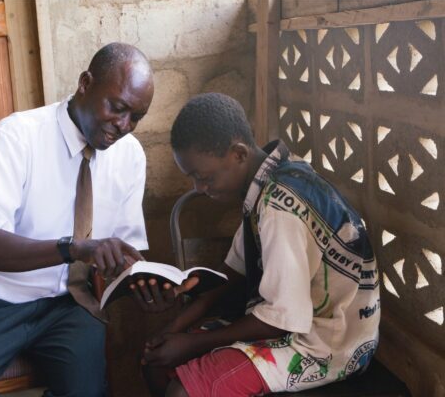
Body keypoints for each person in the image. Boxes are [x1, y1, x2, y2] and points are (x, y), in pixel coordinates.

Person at [0, 43, 155, 397]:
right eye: (117, 107)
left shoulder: (130, 157)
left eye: (136, 117)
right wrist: (73, 249)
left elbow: (122, 254)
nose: (123, 125)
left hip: (67, 305)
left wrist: (148, 285)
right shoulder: (18, 136)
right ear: (85, 83)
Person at [137, 93, 380, 397]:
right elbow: (229, 275)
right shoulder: (269, 182)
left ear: (238, 154)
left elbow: (281, 320)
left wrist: (192, 342)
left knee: (182, 392)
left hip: (327, 343)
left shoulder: (280, 208)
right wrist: (175, 326)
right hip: (293, 323)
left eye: (204, 177)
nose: (199, 188)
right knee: (155, 362)